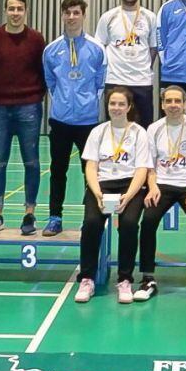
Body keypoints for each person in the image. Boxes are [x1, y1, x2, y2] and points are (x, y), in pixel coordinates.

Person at [0, 0, 45, 235]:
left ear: (26, 11)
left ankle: (29, 214)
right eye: (11, 8)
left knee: (32, 162)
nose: (15, 13)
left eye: (20, 9)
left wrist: (32, 97)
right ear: (5, 10)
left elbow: (43, 74)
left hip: (29, 107)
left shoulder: (37, 40)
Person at [75, 87, 151, 304]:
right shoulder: (98, 132)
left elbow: (141, 169)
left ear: (129, 107)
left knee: (128, 224)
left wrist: (128, 196)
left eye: (121, 104)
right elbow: (90, 166)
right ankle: (87, 278)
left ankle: (125, 279)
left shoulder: (139, 133)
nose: (116, 108)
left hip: (130, 186)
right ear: (107, 106)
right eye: (112, 104)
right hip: (102, 186)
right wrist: (97, 193)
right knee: (91, 223)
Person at [136, 85, 186, 303]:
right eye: (169, 101)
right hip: (162, 184)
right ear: (162, 104)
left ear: (185, 104)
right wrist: (153, 187)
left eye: (178, 101)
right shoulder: (154, 128)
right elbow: (149, 164)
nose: (173, 105)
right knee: (148, 221)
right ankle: (147, 277)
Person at [42, 0, 106, 236]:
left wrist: (86, 103)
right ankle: (55, 217)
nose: (71, 17)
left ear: (83, 15)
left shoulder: (96, 48)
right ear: (62, 15)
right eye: (67, 13)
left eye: (76, 13)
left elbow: (100, 83)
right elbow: (50, 82)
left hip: (88, 122)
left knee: (89, 171)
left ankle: (90, 219)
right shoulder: (51, 49)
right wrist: (63, 102)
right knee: (58, 170)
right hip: (60, 121)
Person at [95, 0, 158, 129]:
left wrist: (142, 67)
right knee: (115, 128)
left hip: (141, 82)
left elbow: (153, 48)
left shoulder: (150, 17)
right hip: (115, 81)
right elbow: (99, 48)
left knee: (143, 129)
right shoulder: (108, 17)